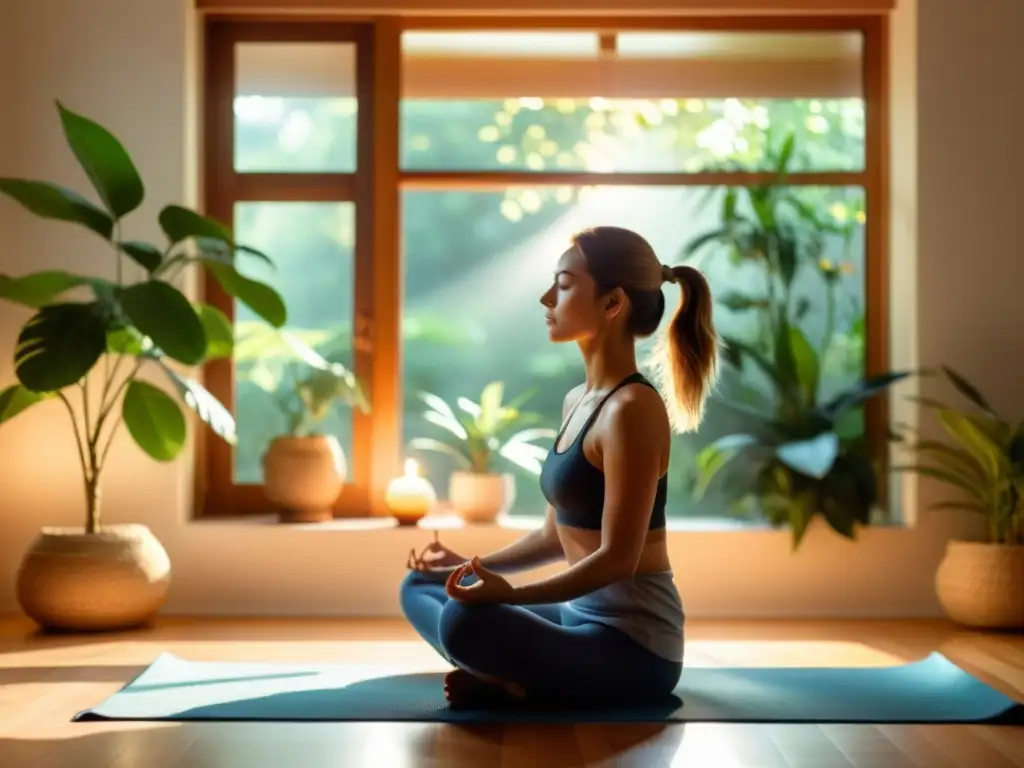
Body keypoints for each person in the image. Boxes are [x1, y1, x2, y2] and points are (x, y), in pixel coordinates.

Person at [400, 225, 718, 709]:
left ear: (613, 304)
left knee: (463, 621)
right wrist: (474, 565)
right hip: (576, 620)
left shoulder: (631, 408)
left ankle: (508, 678)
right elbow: (553, 537)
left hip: (634, 651)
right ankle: (508, 677)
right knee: (422, 585)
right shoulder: (578, 400)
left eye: (565, 284)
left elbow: (618, 559)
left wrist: (508, 597)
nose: (547, 297)